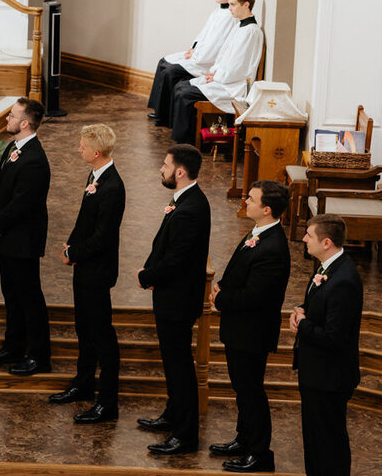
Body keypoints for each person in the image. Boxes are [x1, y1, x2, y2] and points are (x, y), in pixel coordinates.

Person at [210, 180, 291, 473]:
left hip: (252, 332)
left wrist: (220, 298)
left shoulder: (273, 247)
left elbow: (256, 296)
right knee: (242, 389)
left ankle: (260, 453)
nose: (245, 201)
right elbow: (241, 270)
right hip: (241, 329)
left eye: (251, 199)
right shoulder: (258, 233)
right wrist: (223, 285)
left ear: (267, 209)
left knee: (251, 391)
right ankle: (243, 439)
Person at [137, 144, 211, 456]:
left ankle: (185, 436)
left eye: (166, 165)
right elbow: (166, 245)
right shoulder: (186, 199)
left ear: (180, 172)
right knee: (172, 363)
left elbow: (178, 259)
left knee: (180, 367)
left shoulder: (191, 208)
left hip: (178, 300)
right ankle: (173, 414)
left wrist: (147, 276)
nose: (162, 169)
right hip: (171, 295)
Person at [53, 123, 124, 424]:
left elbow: (103, 237)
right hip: (85, 267)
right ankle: (83, 384)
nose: (78, 149)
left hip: (98, 271)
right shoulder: (95, 176)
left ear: (96, 152)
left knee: (101, 335)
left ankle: (107, 403)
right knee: (84, 329)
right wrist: (71, 244)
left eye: (82, 146)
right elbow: (85, 220)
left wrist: (74, 253)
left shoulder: (112, 187)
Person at [0, 98, 52, 376]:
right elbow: (2, 190)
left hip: (23, 240)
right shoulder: (14, 148)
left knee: (29, 298)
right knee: (11, 294)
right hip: (7, 235)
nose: (7, 118)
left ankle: (39, 356)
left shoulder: (35, 160)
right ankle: (13, 346)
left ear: (24, 123)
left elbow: (23, 204)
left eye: (11, 115)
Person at [291, 214, 362, 476]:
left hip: (329, 378)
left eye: (309, 235)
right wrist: (302, 310)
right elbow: (320, 307)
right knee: (315, 441)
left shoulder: (344, 280)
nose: (304, 239)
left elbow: (334, 337)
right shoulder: (326, 267)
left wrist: (303, 325)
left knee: (329, 444)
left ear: (327, 242)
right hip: (316, 373)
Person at [169, 0, 263, 144]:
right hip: (223, 78)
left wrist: (217, 76)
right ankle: (181, 136)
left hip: (233, 85)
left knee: (185, 94)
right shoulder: (239, 26)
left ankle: (187, 142)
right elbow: (223, 56)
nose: (230, 8)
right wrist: (214, 72)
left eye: (233, 4)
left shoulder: (251, 32)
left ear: (246, 5)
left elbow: (239, 67)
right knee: (180, 86)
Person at [148, 0, 239, 125]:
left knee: (171, 72)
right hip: (199, 54)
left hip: (206, 62)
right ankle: (159, 110)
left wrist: (195, 55)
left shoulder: (230, 17)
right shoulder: (218, 11)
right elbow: (203, 34)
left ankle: (166, 118)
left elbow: (215, 46)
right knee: (163, 62)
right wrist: (193, 48)